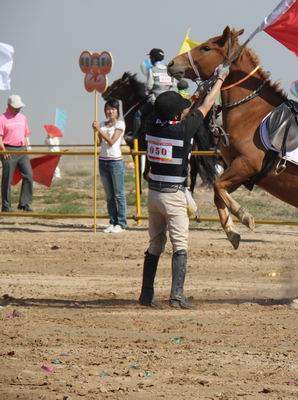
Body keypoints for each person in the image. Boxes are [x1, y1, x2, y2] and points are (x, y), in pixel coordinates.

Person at [138, 64, 230, 309]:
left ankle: (146, 294)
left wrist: (201, 89)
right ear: (176, 115)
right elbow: (204, 108)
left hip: (154, 196)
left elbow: (188, 108)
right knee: (180, 245)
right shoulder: (182, 131)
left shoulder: (152, 127)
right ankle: (177, 295)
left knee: (155, 245)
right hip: (174, 197)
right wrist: (220, 80)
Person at [92, 99, 128, 233]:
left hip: (115, 162)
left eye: (113, 109)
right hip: (103, 161)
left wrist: (99, 130)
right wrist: (95, 131)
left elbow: (112, 141)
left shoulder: (120, 124)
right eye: (108, 109)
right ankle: (112, 222)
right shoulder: (101, 124)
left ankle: (122, 223)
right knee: (109, 195)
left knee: (119, 194)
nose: (110, 111)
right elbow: (99, 143)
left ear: (117, 111)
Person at [132, 48, 177, 139]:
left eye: (150, 58)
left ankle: (135, 137)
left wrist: (147, 92)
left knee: (137, 115)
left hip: (156, 102)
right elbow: (174, 84)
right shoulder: (169, 69)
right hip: (169, 102)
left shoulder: (152, 70)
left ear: (152, 58)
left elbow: (149, 86)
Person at [0, 95, 33, 212]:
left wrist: (27, 146)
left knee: (29, 175)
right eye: (16, 107)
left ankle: (24, 203)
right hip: (8, 150)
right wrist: (3, 151)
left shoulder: (23, 118)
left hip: (22, 150)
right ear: (9, 106)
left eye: (20, 107)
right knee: (7, 179)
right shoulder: (2, 118)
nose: (19, 109)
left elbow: (25, 134)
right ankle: (6, 206)